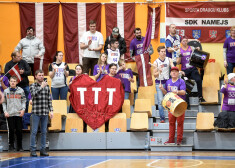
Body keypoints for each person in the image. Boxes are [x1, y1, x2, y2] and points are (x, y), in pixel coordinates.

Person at [159, 67, 186, 145]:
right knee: (171, 122)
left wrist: (177, 91)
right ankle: (171, 139)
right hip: (171, 105)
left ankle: (179, 140)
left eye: (176, 71)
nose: (174, 73)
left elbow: (184, 92)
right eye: (172, 71)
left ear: (178, 73)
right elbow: (166, 93)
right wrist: (162, 89)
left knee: (180, 123)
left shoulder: (181, 81)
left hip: (179, 105)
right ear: (170, 73)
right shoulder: (168, 82)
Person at [29, 69, 53, 157]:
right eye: (39, 75)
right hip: (36, 112)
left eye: (42, 75)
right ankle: (33, 150)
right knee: (34, 132)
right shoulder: (32, 86)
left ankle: (43, 150)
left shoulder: (47, 86)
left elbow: (49, 100)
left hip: (45, 112)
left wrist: (51, 110)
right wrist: (41, 87)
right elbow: (34, 95)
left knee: (44, 132)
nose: (41, 77)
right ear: (36, 76)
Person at [176, 37, 206, 103]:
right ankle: (186, 101)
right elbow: (178, 62)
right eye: (183, 41)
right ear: (181, 42)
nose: (185, 42)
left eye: (186, 41)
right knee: (184, 83)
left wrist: (197, 50)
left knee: (198, 80)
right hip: (185, 71)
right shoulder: (179, 50)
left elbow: (197, 53)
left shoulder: (191, 48)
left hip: (192, 69)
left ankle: (200, 97)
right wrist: (180, 56)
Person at [2, 76, 26, 152]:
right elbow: (4, 103)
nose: (12, 82)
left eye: (14, 81)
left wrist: (23, 110)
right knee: (11, 130)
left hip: (18, 114)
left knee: (19, 130)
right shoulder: (6, 91)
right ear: (9, 82)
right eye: (11, 81)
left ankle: (20, 146)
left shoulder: (21, 90)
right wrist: (5, 111)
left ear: (16, 82)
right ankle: (11, 146)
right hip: (9, 114)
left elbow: (24, 101)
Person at [153, 46, 174, 123]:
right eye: (162, 51)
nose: (164, 53)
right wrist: (159, 72)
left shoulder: (169, 59)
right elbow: (154, 75)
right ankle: (162, 118)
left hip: (167, 82)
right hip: (159, 82)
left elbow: (173, 67)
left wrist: (175, 69)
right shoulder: (155, 62)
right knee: (160, 100)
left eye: (164, 51)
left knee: (170, 99)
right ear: (158, 52)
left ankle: (172, 116)